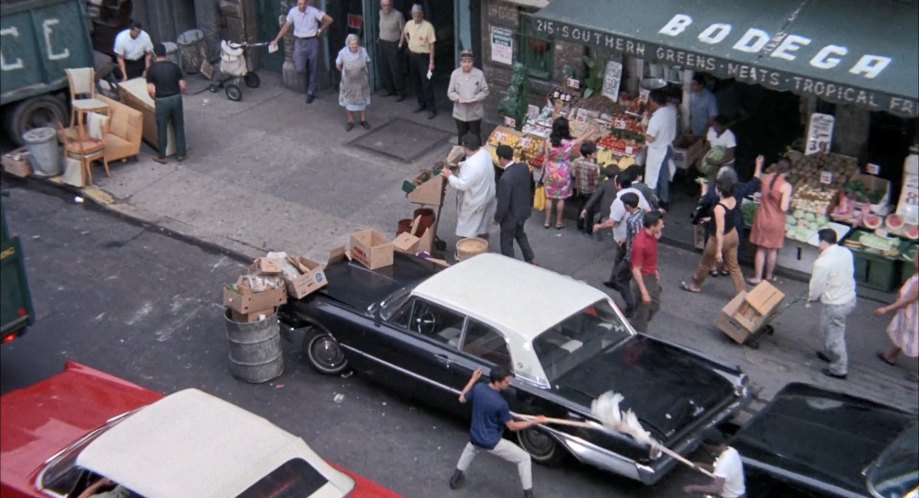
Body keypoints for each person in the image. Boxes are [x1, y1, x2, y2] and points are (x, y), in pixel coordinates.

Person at [450, 367, 547, 498]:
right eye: (506, 382)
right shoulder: (501, 404)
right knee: (524, 458)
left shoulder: (479, 388)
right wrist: (534, 421)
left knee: (471, 448)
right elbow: (512, 426)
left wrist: (473, 379)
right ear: (497, 382)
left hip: (476, 435)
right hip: (491, 441)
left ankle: (455, 477)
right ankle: (528, 494)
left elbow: (462, 398)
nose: (509, 384)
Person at [697, 155, 763, 276]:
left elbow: (703, 204)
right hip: (735, 221)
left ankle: (713, 268)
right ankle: (726, 268)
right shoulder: (739, 188)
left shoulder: (714, 190)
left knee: (712, 243)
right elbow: (754, 182)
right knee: (733, 247)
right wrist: (758, 165)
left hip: (715, 222)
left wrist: (703, 190)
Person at [681, 176, 745, 294]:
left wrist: (719, 251)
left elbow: (719, 231)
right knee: (734, 267)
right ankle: (742, 293)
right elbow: (727, 217)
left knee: (705, 264)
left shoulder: (719, 208)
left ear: (719, 191)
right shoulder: (733, 200)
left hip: (718, 239)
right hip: (733, 234)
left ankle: (695, 285)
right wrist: (711, 219)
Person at [809, 228, 857, 380]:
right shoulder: (845, 252)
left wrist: (812, 297)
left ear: (823, 242)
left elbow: (816, 284)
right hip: (848, 297)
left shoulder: (822, 263)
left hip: (835, 303)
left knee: (834, 336)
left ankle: (839, 368)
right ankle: (830, 354)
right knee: (827, 327)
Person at [273, 0, 333, 104]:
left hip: (312, 41)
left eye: (304, 3)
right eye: (300, 4)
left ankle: (311, 92)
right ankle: (306, 69)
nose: (302, 6)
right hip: (300, 41)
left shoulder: (313, 11)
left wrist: (320, 30)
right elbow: (286, 26)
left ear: (307, 3)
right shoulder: (292, 12)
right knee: (299, 68)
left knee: (313, 67)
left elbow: (329, 19)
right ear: (297, 3)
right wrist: (277, 39)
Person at [541, 117, 595, 229]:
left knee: (549, 197)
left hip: (551, 169)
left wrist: (543, 171)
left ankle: (546, 221)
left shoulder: (548, 141)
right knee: (561, 198)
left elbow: (546, 158)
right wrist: (592, 131)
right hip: (563, 171)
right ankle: (558, 222)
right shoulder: (569, 143)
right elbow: (581, 139)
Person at [874, 251, 919, 382]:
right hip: (909, 313)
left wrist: (886, 309)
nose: (914, 259)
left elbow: (909, 299)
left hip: (914, 315)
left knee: (914, 337)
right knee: (903, 332)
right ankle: (891, 356)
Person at [442, 134, 496, 240]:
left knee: (469, 228)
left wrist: (450, 176)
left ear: (465, 147)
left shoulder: (472, 165)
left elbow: (462, 185)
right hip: (487, 195)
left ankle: (469, 248)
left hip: (476, 200)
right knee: (482, 224)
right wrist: (461, 165)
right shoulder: (485, 153)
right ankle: (484, 242)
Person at [748, 159, 793, 284]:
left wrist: (758, 165)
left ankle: (757, 277)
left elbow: (756, 177)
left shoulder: (766, 178)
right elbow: (783, 208)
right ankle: (768, 276)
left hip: (762, 217)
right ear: (788, 172)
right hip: (776, 221)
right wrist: (790, 201)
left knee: (760, 249)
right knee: (773, 250)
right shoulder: (786, 186)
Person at [146, 42, 187, 164]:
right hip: (176, 98)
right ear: (165, 53)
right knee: (179, 125)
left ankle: (162, 156)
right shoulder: (174, 66)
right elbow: (183, 86)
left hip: (162, 101)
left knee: (162, 128)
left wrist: (155, 99)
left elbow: (151, 90)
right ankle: (181, 154)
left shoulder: (151, 69)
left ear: (154, 54)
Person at [494, 145, 535, 264]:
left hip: (511, 216)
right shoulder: (523, 167)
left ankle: (510, 265)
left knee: (506, 242)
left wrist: (497, 218)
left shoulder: (505, 179)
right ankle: (530, 258)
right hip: (523, 210)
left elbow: (503, 203)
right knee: (520, 234)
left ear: (501, 158)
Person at [682, 428, 746, 498]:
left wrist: (693, 488)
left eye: (704, 445)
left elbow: (716, 489)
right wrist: (703, 466)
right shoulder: (732, 451)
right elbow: (722, 471)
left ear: (709, 445)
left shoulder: (724, 462)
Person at [594, 168, 650, 247]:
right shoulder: (637, 192)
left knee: (622, 257)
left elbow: (612, 222)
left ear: (619, 185)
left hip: (623, 238)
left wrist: (599, 226)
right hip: (639, 235)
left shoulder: (619, 200)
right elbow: (648, 210)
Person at [630, 211, 664, 333]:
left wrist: (654, 270)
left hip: (651, 274)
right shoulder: (640, 244)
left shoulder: (652, 235)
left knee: (655, 304)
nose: (662, 226)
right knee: (644, 308)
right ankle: (638, 332)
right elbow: (636, 269)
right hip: (644, 278)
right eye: (660, 224)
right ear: (652, 226)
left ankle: (636, 321)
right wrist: (644, 291)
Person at [610, 193, 643, 316]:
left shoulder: (632, 221)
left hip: (632, 257)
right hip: (636, 256)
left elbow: (636, 240)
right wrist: (626, 239)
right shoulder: (642, 214)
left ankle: (631, 306)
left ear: (628, 206)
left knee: (621, 278)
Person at [644, 89, 677, 209]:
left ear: (652, 101)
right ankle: (665, 201)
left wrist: (643, 128)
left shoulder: (656, 119)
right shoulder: (671, 109)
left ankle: (654, 204)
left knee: (652, 178)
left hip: (657, 151)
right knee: (663, 176)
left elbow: (650, 138)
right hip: (668, 147)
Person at [447, 50, 489, 144]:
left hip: (475, 113)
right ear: (460, 62)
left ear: (472, 62)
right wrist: (458, 98)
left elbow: (485, 91)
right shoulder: (455, 74)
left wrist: (476, 98)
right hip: (460, 113)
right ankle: (462, 157)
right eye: (464, 62)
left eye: (469, 62)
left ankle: (477, 156)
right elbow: (450, 92)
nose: (467, 64)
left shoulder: (479, 74)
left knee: (475, 136)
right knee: (462, 136)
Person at [403, 4, 437, 119]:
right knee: (416, 81)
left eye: (418, 15)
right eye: (414, 15)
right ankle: (421, 104)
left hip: (424, 57)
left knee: (427, 81)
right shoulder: (409, 24)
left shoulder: (428, 26)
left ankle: (431, 108)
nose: (416, 17)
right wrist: (409, 43)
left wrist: (431, 61)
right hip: (413, 56)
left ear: (422, 15)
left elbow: (432, 44)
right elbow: (405, 32)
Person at [335, 34, 372, 132]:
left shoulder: (363, 51)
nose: (354, 46)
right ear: (348, 44)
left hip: (361, 82)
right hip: (348, 83)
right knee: (349, 102)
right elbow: (338, 65)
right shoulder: (343, 53)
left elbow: (367, 61)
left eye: (355, 44)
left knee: (363, 101)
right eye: (352, 44)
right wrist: (344, 72)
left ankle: (363, 120)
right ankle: (350, 121)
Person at [377, 0, 406, 101]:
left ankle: (401, 92)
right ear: (381, 5)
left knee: (396, 69)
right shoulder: (380, 13)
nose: (386, 7)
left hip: (394, 43)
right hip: (382, 43)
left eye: (388, 5)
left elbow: (403, 30)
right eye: (384, 5)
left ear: (392, 5)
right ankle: (389, 89)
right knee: (384, 67)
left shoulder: (398, 15)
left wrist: (400, 44)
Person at [580, 164, 620, 235]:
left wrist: (585, 208)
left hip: (606, 212)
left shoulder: (603, 184)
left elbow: (594, 197)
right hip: (618, 213)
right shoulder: (621, 184)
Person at [571, 142, 600, 231]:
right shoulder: (595, 167)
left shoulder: (577, 162)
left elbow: (573, 174)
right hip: (591, 191)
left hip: (580, 189)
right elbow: (595, 181)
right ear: (588, 155)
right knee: (590, 209)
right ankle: (589, 228)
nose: (596, 154)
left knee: (581, 207)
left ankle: (579, 225)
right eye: (594, 153)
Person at [702, 115, 737, 182]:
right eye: (714, 125)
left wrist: (716, 162)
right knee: (709, 183)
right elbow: (706, 145)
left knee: (725, 184)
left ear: (724, 126)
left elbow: (730, 156)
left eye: (717, 126)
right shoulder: (711, 130)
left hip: (726, 163)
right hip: (713, 161)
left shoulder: (730, 136)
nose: (714, 127)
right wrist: (702, 158)